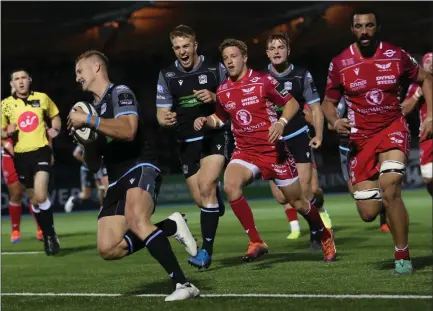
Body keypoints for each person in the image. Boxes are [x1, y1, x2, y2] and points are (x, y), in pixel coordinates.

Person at [68, 50, 199, 301]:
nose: (77, 78)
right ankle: (170, 225)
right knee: (109, 248)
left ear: (96, 67)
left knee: (137, 219)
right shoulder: (93, 109)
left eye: (79, 71)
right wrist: (85, 141)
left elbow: (129, 130)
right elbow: (94, 164)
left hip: (140, 165)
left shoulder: (120, 92)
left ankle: (184, 284)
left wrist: (88, 120)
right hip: (115, 177)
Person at [194, 39, 336, 262]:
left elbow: (293, 104)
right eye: (226, 58)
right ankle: (256, 241)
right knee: (231, 186)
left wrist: (280, 123)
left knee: (298, 202)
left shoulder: (263, 81)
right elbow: (220, 118)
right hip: (245, 151)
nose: (230, 61)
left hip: (273, 151)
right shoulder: (222, 90)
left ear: (244, 58)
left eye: (234, 56)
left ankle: (324, 233)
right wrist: (206, 120)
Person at [321, 9, 432, 275]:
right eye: (359, 26)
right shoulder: (340, 62)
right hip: (360, 138)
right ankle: (392, 209)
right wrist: (336, 121)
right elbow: (328, 103)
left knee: (391, 185)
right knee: (369, 212)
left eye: (369, 25)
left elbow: (426, 79)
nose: (364, 31)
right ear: (352, 30)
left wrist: (431, 117)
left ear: (377, 27)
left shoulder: (396, 55)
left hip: (392, 128)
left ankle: (402, 256)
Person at [156, 25, 233, 269]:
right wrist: (164, 119)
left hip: (214, 134)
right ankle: (215, 200)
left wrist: (214, 97)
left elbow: (232, 97)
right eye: (177, 48)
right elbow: (161, 111)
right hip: (186, 142)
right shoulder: (166, 75)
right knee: (203, 201)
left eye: (186, 46)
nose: (182, 52)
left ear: (195, 45)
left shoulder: (214, 68)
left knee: (206, 184)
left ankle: (205, 253)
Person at [265, 32, 333, 249]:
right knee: (281, 198)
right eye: (272, 48)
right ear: (267, 53)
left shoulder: (302, 74)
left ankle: (316, 232)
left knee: (305, 190)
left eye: (280, 47)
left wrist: (319, 134)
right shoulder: (259, 78)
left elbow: (315, 106)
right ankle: (316, 212)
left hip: (298, 135)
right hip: (273, 141)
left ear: (288, 51)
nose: (277, 51)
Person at [1, 69, 62, 255]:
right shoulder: (5, 105)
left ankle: (50, 235)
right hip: (20, 157)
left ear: (29, 80)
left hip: (41, 152)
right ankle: (45, 233)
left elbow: (55, 116)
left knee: (42, 195)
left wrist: (56, 129)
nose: (20, 82)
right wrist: (6, 132)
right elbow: (1, 133)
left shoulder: (43, 98)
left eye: (23, 78)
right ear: (12, 83)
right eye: (16, 79)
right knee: (34, 200)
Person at [328, 97, 390, 232]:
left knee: (382, 183)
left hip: (369, 144)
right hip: (347, 148)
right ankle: (385, 206)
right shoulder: (342, 100)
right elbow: (330, 124)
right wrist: (340, 124)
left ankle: (386, 219)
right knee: (354, 192)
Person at [401, 52, 433, 196]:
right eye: (428, 62)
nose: (431, 65)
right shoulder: (417, 85)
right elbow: (403, 110)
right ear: (423, 65)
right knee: (428, 179)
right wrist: (417, 94)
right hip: (427, 135)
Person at [1, 136, 43, 242]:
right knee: (16, 193)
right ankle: (15, 230)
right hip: (9, 155)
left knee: (33, 193)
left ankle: (41, 229)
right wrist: (3, 142)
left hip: (31, 152)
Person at [64, 144, 109, 213]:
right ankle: (73, 199)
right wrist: (87, 162)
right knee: (86, 195)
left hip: (97, 168)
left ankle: (103, 208)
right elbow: (76, 154)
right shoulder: (85, 143)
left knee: (101, 188)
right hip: (86, 170)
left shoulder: (98, 142)